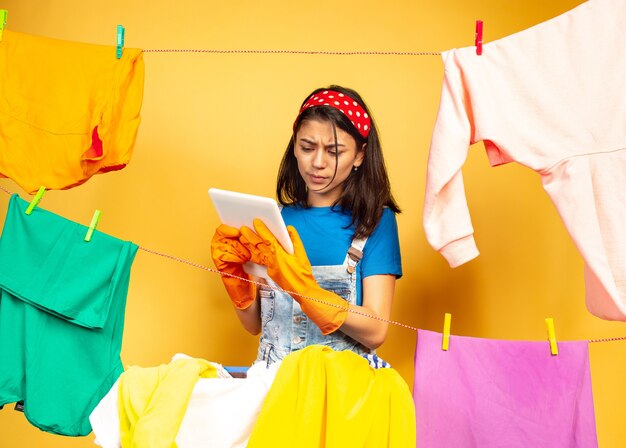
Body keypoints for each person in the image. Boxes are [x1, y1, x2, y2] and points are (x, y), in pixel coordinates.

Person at [211, 85, 402, 365]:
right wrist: (234, 277)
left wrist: (308, 292)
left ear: (360, 155)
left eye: (334, 151)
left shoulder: (376, 222)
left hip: (340, 390)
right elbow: (254, 325)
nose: (318, 163)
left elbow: (376, 331)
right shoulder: (270, 220)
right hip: (273, 383)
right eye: (307, 147)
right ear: (295, 147)